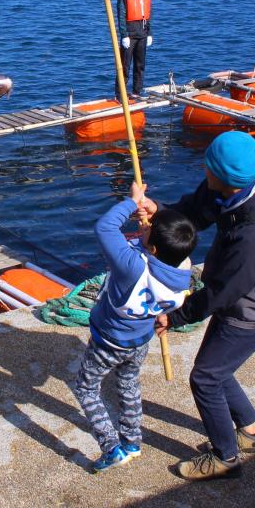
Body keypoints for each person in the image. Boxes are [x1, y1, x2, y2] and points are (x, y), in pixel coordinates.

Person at [142, 131, 255, 482]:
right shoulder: (234, 187)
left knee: (205, 378)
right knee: (217, 369)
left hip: (253, 310)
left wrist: (175, 316)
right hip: (237, 295)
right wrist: (160, 212)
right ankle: (251, 434)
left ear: (223, 177)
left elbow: (221, 292)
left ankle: (225, 457)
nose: (203, 171)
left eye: (208, 167)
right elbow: (196, 212)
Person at [74, 181, 196, 473]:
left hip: (108, 341)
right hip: (140, 339)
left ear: (152, 247)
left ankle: (111, 446)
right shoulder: (182, 269)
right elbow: (172, 239)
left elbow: (105, 228)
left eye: (147, 228)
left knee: (85, 389)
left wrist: (133, 201)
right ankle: (132, 441)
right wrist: (149, 225)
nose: (144, 225)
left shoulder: (132, 266)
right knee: (128, 385)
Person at [116, 0, 152, 97]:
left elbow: (149, 13)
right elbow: (121, 14)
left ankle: (137, 92)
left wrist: (150, 33)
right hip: (129, 34)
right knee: (125, 66)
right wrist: (124, 34)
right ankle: (120, 94)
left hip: (142, 33)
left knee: (140, 65)